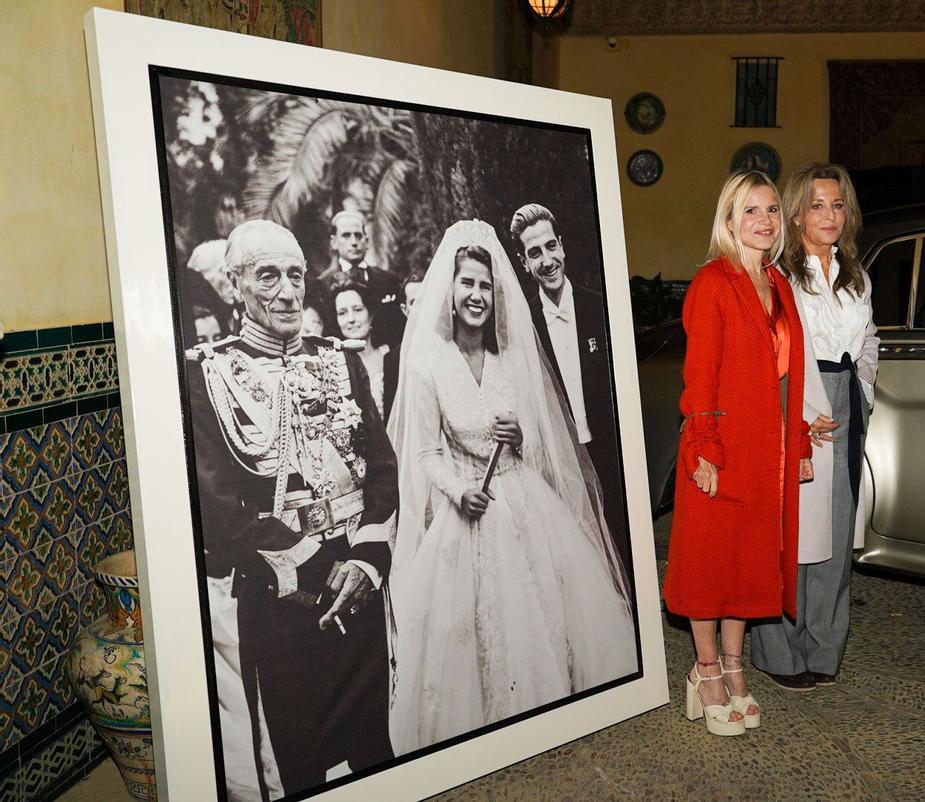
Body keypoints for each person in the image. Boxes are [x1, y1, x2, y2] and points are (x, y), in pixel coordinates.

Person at [385, 219, 636, 754]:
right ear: (449, 292)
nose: (477, 296)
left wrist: (519, 436)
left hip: (525, 500)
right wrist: (458, 492)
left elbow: (538, 440)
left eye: (485, 286)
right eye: (467, 284)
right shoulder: (429, 363)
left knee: (550, 618)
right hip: (470, 507)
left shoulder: (510, 356)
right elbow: (426, 452)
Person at [187, 219, 397, 799]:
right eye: (268, 276)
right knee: (297, 762)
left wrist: (365, 562)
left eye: (296, 275)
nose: (286, 290)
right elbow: (221, 507)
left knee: (374, 747)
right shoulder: (206, 375)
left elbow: (381, 468)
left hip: (359, 581)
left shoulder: (340, 359)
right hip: (283, 597)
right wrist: (319, 569)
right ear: (235, 286)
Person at [662, 171, 814, 736]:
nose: (765, 221)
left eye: (772, 210)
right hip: (721, 448)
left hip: (764, 449)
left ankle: (733, 664)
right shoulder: (712, 282)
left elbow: (788, 378)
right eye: (751, 211)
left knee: (746, 564)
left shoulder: (778, 283)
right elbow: (698, 375)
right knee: (708, 565)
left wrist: (795, 442)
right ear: (729, 220)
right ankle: (705, 672)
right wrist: (703, 445)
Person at [751, 163, 879, 692]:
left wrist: (862, 391)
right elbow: (774, 351)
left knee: (836, 534)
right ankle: (779, 653)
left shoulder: (856, 273)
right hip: (797, 402)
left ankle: (824, 649)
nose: (830, 214)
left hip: (846, 401)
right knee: (791, 535)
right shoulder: (779, 276)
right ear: (798, 212)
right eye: (818, 204)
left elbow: (870, 337)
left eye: (839, 204)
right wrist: (801, 410)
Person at [508, 203, 630, 581]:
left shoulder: (602, 306)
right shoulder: (523, 326)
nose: (546, 261)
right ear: (524, 263)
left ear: (561, 246)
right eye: (534, 253)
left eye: (549, 247)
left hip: (613, 458)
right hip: (563, 467)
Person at [316, 210, 405, 347]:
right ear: (334, 242)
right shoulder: (322, 285)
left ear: (367, 241)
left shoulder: (389, 280)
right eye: (346, 236)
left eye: (358, 236)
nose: (354, 242)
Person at [328, 276, 399, 421]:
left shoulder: (391, 356)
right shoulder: (334, 364)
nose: (351, 319)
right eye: (342, 313)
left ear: (371, 315)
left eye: (358, 310)